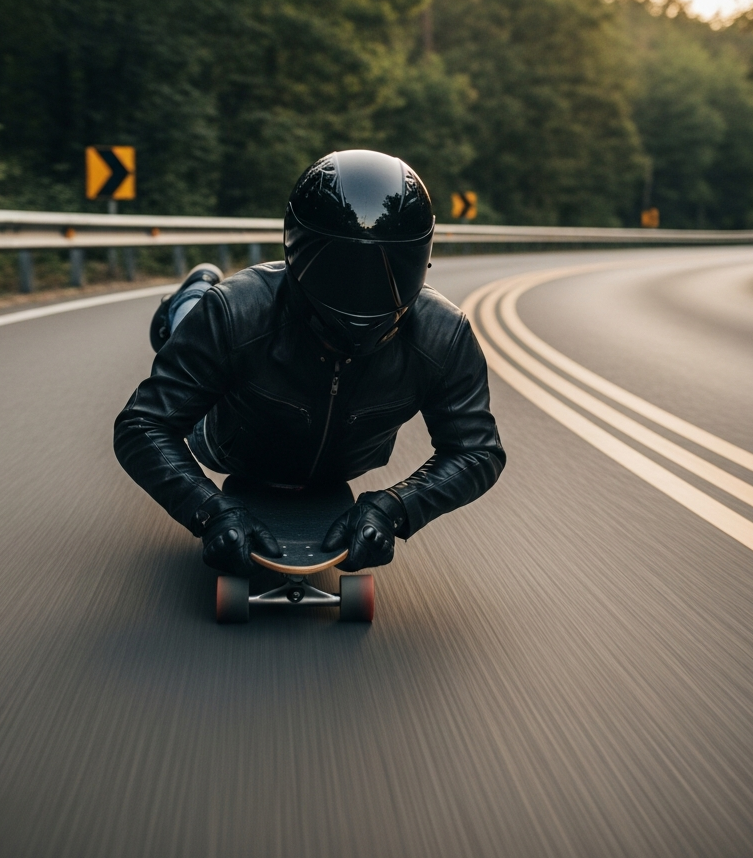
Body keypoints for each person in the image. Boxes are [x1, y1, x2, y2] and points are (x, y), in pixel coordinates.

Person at [114, 149, 506, 577]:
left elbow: (477, 449)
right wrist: (208, 510)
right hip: (228, 442)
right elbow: (143, 424)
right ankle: (188, 296)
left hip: (341, 466)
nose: (363, 293)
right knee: (194, 317)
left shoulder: (444, 336)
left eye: (388, 269)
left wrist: (396, 508)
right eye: (343, 270)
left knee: (212, 322)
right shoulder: (234, 312)